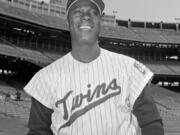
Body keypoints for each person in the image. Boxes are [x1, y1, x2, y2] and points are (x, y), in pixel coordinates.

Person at [24, 0, 164, 135]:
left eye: (93, 12)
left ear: (100, 21)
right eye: (78, 12)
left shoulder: (129, 68)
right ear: (68, 21)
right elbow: (38, 132)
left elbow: (152, 123)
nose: (86, 16)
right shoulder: (45, 77)